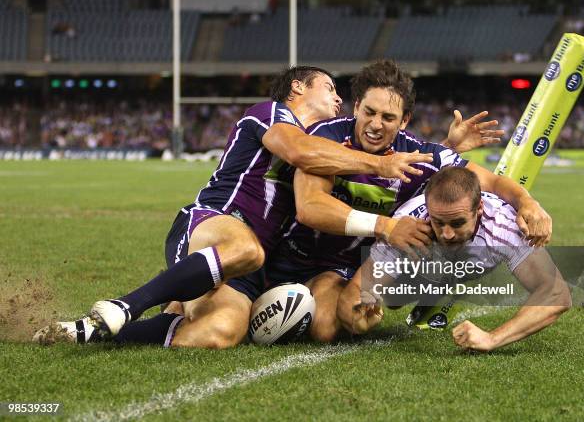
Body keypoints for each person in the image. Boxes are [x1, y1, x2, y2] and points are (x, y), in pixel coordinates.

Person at [149, 60, 549, 348]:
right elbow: (310, 209)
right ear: (356, 107)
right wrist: (386, 226)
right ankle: (188, 304)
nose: (376, 124)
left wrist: (527, 202)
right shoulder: (326, 136)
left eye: (389, 118)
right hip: (279, 251)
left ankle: (259, 309)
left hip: (331, 266)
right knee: (227, 323)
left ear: (405, 121)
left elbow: (490, 180)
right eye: (369, 112)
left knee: (327, 328)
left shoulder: (417, 154)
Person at [33, 65, 431, 345]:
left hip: (250, 264)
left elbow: (353, 171)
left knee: (220, 332)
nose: (338, 97)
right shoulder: (271, 114)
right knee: (246, 248)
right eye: (328, 88)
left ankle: (90, 333)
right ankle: (124, 307)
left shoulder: (328, 143)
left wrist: (445, 151)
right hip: (213, 222)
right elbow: (298, 152)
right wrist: (381, 162)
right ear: (298, 88)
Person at [337, 167, 571, 352]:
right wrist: (355, 317)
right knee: (394, 298)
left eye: (457, 223)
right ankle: (436, 284)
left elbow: (556, 294)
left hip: (466, 263)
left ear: (479, 208)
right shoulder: (409, 223)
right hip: (423, 267)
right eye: (438, 222)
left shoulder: (504, 226)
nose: (447, 233)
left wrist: (491, 338)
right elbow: (356, 292)